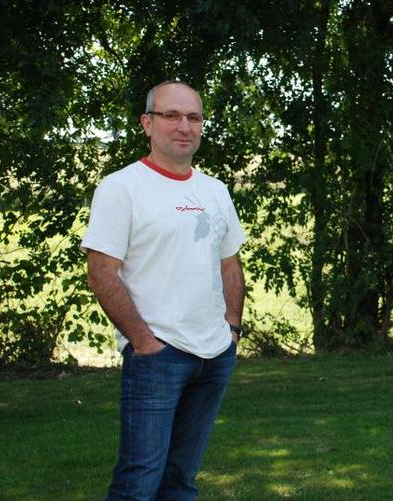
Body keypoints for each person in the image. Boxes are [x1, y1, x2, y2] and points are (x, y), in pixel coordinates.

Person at [82, 80, 246, 500]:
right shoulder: (122, 188)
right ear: (147, 123)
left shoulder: (215, 190)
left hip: (214, 355)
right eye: (171, 115)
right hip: (158, 355)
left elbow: (230, 264)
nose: (183, 126)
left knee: (180, 482)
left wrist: (231, 331)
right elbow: (101, 271)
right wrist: (143, 342)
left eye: (193, 117)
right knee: (138, 482)